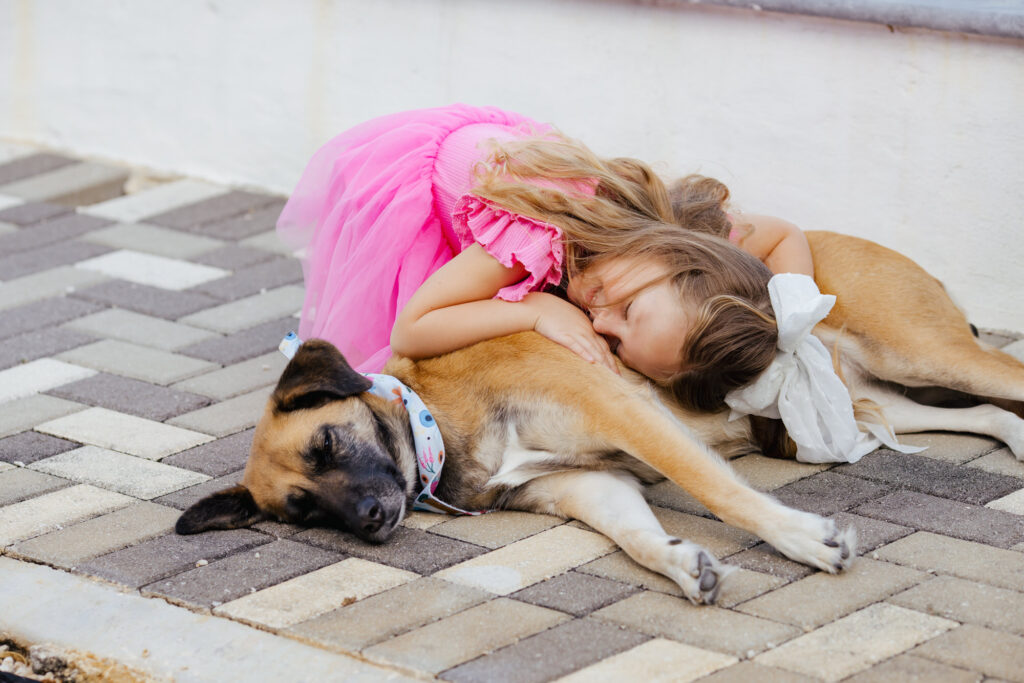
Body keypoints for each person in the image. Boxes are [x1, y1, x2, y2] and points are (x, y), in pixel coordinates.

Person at [277, 104, 809, 388]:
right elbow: (412, 330)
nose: (602, 326)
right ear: (677, 255)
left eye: (618, 344)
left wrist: (784, 331)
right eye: (628, 312)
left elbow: (785, 236)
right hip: (405, 186)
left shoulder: (685, 256)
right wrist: (534, 311)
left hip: (503, 167)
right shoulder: (532, 235)